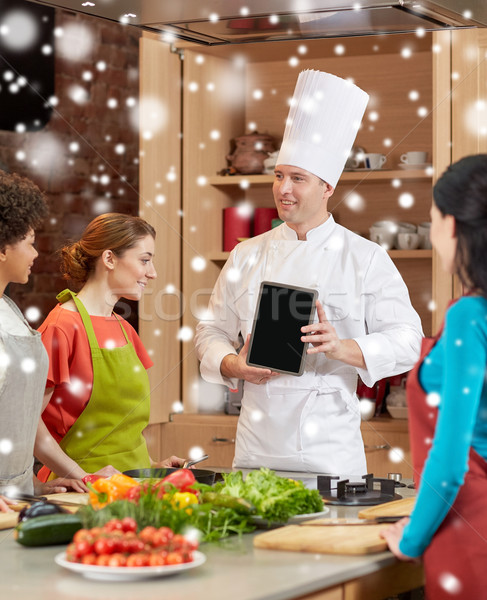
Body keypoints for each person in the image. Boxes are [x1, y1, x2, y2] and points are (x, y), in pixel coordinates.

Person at [195, 70, 423, 476]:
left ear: (327, 188)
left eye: (298, 179)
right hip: (256, 448)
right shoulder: (246, 254)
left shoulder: (365, 257)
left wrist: (341, 347)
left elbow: (408, 341)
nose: (284, 189)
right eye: (280, 175)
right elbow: (210, 332)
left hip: (330, 450)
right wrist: (233, 364)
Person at [381, 154, 487, 599]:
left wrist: (411, 537)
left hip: (467, 524)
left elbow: (449, 459)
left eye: (433, 219)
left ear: (453, 226)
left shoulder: (469, 317)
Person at [35, 213, 184, 483]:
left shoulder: (124, 329)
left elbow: (120, 429)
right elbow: (28, 423)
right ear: (109, 259)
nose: (153, 273)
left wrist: (151, 464)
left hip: (135, 485)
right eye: (145, 260)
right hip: (82, 494)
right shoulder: (61, 327)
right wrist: (84, 478)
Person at [0, 170, 83, 513]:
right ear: (3, 247)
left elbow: (21, 419)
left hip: (17, 502)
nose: (36, 253)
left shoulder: (10, 310)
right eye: (30, 242)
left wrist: (36, 484)